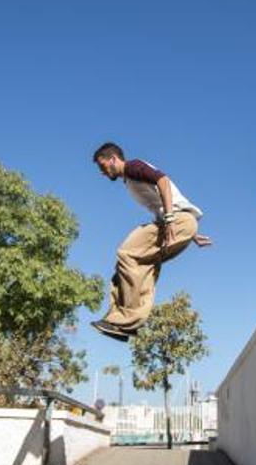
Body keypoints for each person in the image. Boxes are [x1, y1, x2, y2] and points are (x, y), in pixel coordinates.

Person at [90, 142, 212, 342]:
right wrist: (190, 234)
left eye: (102, 166)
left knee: (127, 253)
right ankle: (126, 323)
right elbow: (162, 204)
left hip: (177, 221)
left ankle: (124, 319)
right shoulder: (129, 181)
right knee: (139, 268)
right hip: (181, 224)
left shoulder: (133, 167)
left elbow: (162, 180)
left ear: (113, 159)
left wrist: (173, 220)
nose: (102, 173)